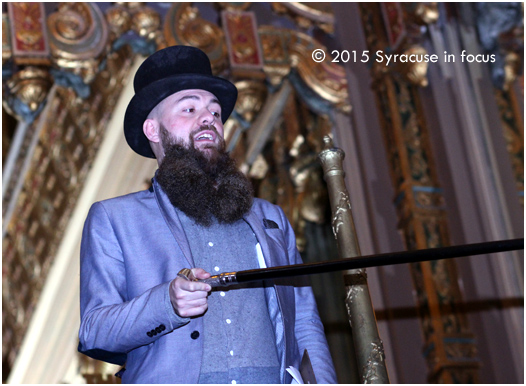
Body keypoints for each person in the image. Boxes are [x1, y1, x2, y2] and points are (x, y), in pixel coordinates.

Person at [78, 45, 337, 384]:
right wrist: (166, 302)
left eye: (215, 113)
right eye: (189, 108)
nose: (209, 120)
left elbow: (304, 320)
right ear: (153, 130)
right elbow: (95, 331)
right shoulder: (114, 219)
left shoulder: (270, 219)